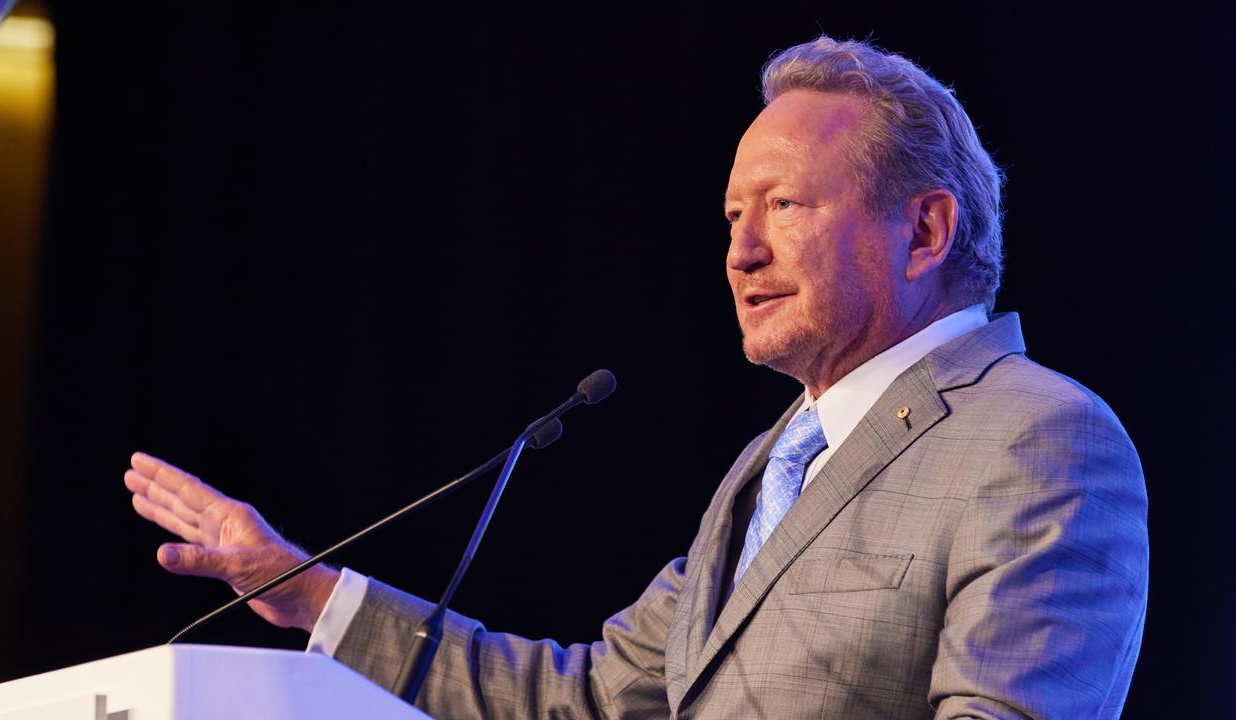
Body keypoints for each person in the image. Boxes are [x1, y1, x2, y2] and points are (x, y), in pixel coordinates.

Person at [125, 36, 1148, 719]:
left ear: (922, 228)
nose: (739, 253)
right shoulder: (769, 463)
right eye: (728, 219)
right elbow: (586, 698)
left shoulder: (1036, 435)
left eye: (782, 206)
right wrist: (307, 594)